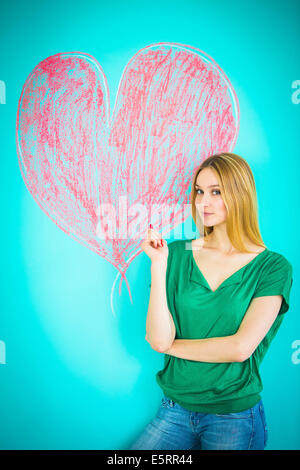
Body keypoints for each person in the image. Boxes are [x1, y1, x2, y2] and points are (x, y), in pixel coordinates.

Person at [129, 152, 293, 451]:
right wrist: (158, 264)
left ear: (240, 195)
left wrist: (171, 347)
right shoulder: (174, 255)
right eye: (199, 191)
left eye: (216, 192)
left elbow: (240, 348)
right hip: (174, 409)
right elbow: (157, 337)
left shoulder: (272, 267)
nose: (203, 202)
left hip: (234, 416)